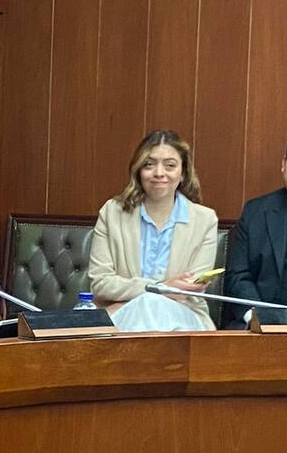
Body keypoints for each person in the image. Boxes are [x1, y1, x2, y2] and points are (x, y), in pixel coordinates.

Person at [88, 130, 218, 331]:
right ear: (138, 171)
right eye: (149, 165)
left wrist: (153, 294)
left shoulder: (205, 220)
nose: (159, 173)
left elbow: (189, 290)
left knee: (153, 305)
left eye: (170, 165)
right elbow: (100, 283)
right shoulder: (112, 213)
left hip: (183, 317)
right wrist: (162, 287)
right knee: (149, 304)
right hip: (121, 312)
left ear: (183, 173)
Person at [225, 128, 287, 325]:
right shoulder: (255, 212)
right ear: (283, 164)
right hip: (264, 327)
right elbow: (238, 276)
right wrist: (256, 318)